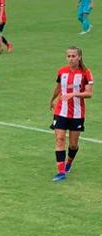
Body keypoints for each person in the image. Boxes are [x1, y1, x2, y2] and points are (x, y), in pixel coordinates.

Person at [49, 46, 94, 182]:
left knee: (73, 144)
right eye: (68, 56)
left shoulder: (86, 72)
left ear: (79, 57)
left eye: (73, 56)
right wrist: (52, 100)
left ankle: (69, 162)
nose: (71, 59)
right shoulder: (62, 71)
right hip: (60, 112)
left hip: (77, 114)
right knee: (60, 139)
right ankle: (61, 171)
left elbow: (89, 93)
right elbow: (58, 88)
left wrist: (73, 94)